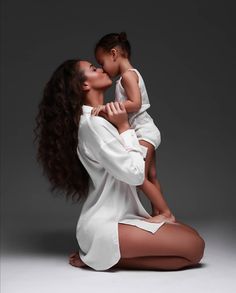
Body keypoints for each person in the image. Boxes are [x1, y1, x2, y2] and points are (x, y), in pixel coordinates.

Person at [34, 58, 205, 272]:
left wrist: (123, 127)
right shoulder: (94, 125)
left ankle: (100, 257)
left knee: (191, 246)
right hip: (106, 227)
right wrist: (125, 127)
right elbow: (135, 175)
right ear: (84, 85)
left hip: (120, 219)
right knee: (195, 247)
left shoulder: (102, 119)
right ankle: (97, 255)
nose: (102, 68)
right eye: (93, 68)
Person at [93, 32, 175, 223]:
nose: (103, 69)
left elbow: (136, 104)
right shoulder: (128, 76)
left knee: (138, 177)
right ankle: (158, 213)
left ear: (114, 54)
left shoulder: (127, 76)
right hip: (146, 129)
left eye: (102, 62)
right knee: (151, 175)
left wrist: (106, 108)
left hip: (143, 131)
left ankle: (165, 213)